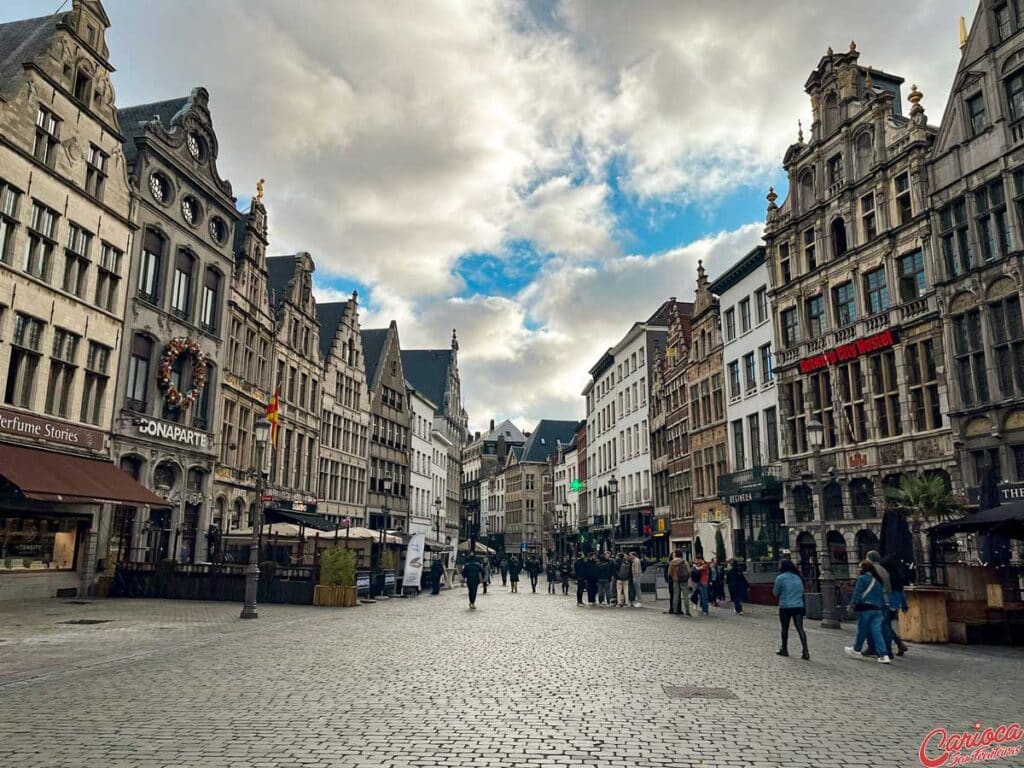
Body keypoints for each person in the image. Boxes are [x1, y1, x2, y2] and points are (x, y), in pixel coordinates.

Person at [845, 559, 893, 665]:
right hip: (878, 609)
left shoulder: (862, 579)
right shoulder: (877, 580)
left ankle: (856, 650)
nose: (857, 569)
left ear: (863, 568)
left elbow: (857, 594)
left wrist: (852, 606)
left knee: (862, 630)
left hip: (865, 608)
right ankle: (884, 655)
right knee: (877, 632)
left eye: (859, 567)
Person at [773, 560, 810, 660]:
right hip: (798, 606)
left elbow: (775, 593)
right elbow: (802, 591)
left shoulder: (780, 578)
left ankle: (784, 649)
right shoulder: (798, 577)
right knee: (800, 628)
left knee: (784, 628)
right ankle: (805, 650)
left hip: (785, 606)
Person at [667, 550, 686, 615]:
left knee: (676, 596)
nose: (674, 556)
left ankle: (676, 609)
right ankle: (673, 609)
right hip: (678, 580)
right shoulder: (682, 562)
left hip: (674, 580)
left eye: (674, 554)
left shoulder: (671, 563)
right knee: (674, 596)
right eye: (673, 555)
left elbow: (669, 573)